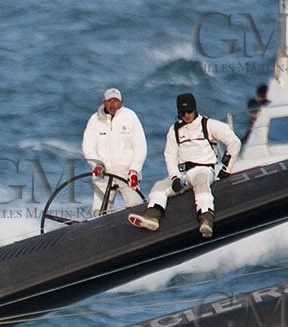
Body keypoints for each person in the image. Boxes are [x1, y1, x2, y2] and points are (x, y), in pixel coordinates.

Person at [128, 92, 241, 239]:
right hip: (183, 174)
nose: (187, 115)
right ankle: (152, 218)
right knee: (159, 187)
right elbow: (170, 156)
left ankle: (206, 220)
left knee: (201, 182)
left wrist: (227, 168)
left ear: (195, 109)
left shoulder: (208, 124)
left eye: (189, 111)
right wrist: (175, 178)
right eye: (183, 112)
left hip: (204, 169)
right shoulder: (174, 131)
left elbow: (234, 142)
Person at [80, 87, 147, 215]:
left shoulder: (130, 117)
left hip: (127, 175)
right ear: (104, 102)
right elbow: (87, 146)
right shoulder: (95, 120)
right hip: (103, 175)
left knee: (137, 210)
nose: (113, 104)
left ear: (121, 103)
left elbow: (141, 146)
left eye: (116, 101)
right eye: (110, 101)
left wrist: (135, 170)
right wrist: (97, 164)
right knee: (97, 215)